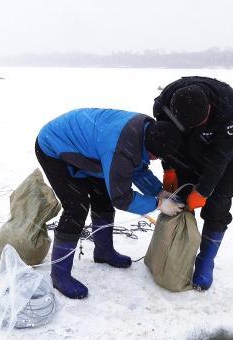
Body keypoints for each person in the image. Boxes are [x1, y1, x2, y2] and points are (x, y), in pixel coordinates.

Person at [36, 108, 184, 299]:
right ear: (151, 150)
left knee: (103, 197)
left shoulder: (146, 131)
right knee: (76, 208)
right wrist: (157, 204)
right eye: (157, 157)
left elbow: (136, 168)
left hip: (92, 148)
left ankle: (103, 251)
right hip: (55, 147)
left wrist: (159, 191)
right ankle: (59, 275)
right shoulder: (121, 147)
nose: (156, 160)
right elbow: (121, 197)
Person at [153, 76, 233, 291]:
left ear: (207, 112)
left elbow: (221, 157)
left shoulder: (226, 106)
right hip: (185, 150)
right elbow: (165, 137)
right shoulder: (164, 104)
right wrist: (168, 168)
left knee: (218, 203)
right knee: (182, 199)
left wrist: (204, 190)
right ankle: (179, 250)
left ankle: (206, 261)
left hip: (226, 155)